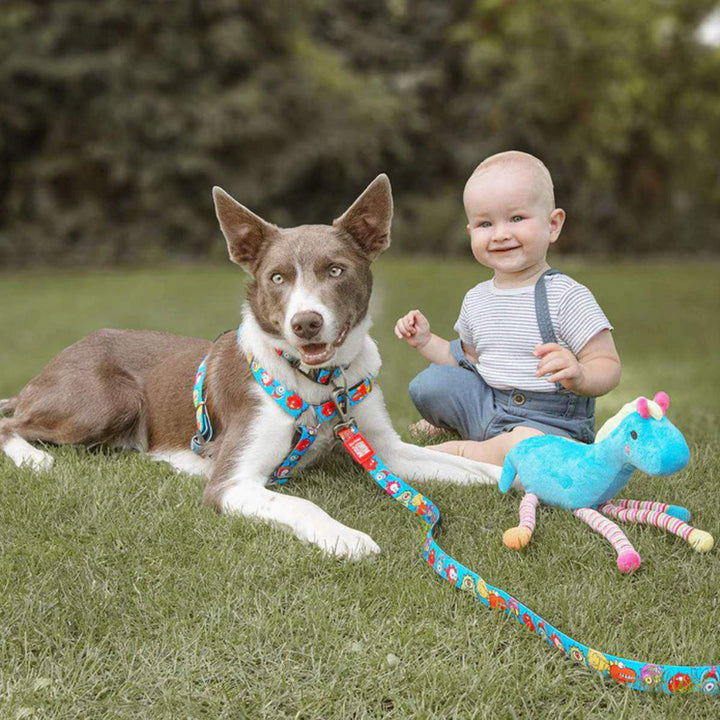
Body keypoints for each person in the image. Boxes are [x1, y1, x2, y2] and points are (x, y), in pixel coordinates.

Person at [395, 151, 621, 467]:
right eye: (485, 223)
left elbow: (608, 364)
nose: (500, 234)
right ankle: (473, 432)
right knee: (430, 385)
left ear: (553, 225)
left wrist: (581, 375)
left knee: (528, 444)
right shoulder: (476, 299)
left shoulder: (566, 296)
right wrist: (425, 340)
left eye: (516, 218)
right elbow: (466, 361)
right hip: (491, 404)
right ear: (471, 232)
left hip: (549, 421)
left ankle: (465, 451)